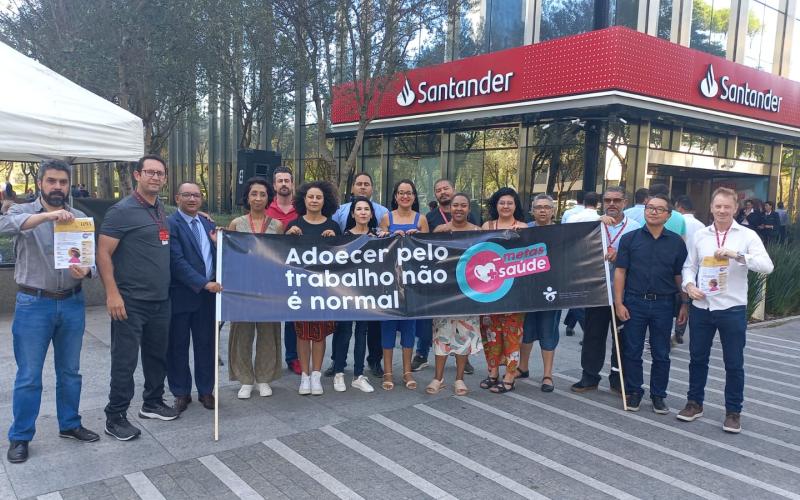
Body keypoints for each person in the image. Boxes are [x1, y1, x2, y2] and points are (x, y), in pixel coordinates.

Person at [0, 159, 98, 464]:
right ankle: (20, 437)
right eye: (52, 181)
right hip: (34, 304)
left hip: (71, 301)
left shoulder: (80, 217)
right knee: (29, 375)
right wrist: (47, 217)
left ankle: (69, 424)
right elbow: (4, 226)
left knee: (70, 371)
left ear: (69, 185)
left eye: (63, 182)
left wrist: (88, 270)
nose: (58, 187)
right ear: (40, 183)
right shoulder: (21, 212)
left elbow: (90, 260)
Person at [97, 155, 179, 441]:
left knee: (157, 357)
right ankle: (115, 416)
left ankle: (152, 402)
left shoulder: (161, 210)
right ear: (137, 175)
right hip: (130, 301)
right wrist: (112, 293)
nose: (155, 177)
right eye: (150, 172)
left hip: (160, 300)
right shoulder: (121, 211)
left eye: (160, 173)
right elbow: (103, 253)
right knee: (125, 361)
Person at [679, 187, 774, 433]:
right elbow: (689, 266)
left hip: (732, 308)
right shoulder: (700, 235)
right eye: (718, 206)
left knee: (734, 363)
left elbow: (767, 266)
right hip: (702, 306)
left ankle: (733, 412)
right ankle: (694, 403)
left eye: (727, 207)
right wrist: (689, 286)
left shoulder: (747, 235)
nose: (722, 210)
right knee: (697, 359)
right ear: (711, 208)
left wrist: (738, 255)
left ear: (735, 208)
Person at [614, 194, 688, 413]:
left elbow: (680, 276)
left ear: (668, 215)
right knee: (632, 350)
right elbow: (620, 272)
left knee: (661, 352)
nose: (653, 212)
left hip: (664, 304)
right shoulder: (630, 239)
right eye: (649, 208)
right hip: (634, 302)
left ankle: (658, 395)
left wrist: (685, 303)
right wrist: (619, 302)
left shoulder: (676, 242)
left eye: (659, 209)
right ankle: (635, 392)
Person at [570, 186, 640, 394]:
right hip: (597, 289)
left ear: (625, 203)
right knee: (593, 335)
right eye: (608, 200)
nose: (612, 204)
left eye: (616, 200)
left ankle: (618, 378)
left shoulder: (634, 227)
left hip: (624, 292)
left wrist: (621, 257)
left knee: (622, 338)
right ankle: (589, 376)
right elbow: (569, 234)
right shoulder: (592, 224)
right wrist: (595, 223)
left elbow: (641, 257)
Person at [413, 178, 478, 375]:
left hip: (464, 279)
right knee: (430, 320)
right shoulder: (430, 217)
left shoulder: (473, 218)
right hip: (439, 278)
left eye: (446, 188)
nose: (443, 192)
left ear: (454, 190)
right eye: (439, 190)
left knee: (463, 321)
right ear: (436, 195)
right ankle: (422, 354)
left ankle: (463, 360)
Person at [227, 178, 285, 399]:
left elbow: (280, 256)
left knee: (268, 332)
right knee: (242, 332)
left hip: (268, 287)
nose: (258, 198)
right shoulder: (237, 223)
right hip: (243, 287)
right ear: (247, 197)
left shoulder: (277, 226)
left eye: (262, 194)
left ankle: (263, 378)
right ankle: (245, 379)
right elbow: (230, 256)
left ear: (269, 197)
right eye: (254, 194)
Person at [167, 182, 220, 412]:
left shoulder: (208, 222)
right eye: (187, 195)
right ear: (177, 197)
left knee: (206, 345)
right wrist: (203, 283)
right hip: (182, 296)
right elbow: (176, 262)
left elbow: (216, 255)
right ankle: (181, 393)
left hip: (208, 298)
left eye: (196, 195)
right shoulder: (171, 224)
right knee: (177, 346)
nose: (192, 199)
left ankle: (206, 391)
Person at [329, 172, 388, 378]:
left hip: (371, 290)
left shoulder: (380, 232)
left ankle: (371, 363)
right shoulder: (341, 220)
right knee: (342, 330)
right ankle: (337, 363)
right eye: (359, 184)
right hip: (346, 289)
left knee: (370, 329)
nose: (362, 187)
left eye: (367, 184)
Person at [286, 181, 341, 395]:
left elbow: (341, 257)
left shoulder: (333, 226)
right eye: (311, 197)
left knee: (319, 334)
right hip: (300, 289)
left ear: (325, 200)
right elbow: (283, 256)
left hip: (324, 290)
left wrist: (334, 240)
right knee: (302, 334)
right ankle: (305, 376)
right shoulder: (294, 224)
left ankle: (316, 375)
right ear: (304, 200)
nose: (315, 200)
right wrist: (289, 237)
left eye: (319, 197)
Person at [426, 192, 483, 396]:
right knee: (441, 336)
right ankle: (438, 377)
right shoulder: (440, 230)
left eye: (463, 205)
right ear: (449, 208)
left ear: (469, 209)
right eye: (455, 205)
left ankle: (459, 379)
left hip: (468, 293)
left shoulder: (478, 232)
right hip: (443, 293)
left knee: (464, 336)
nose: (459, 209)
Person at [378, 179, 429, 390]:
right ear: (396, 196)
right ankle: (388, 372)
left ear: (414, 197)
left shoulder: (421, 219)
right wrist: (389, 236)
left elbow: (429, 251)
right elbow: (379, 248)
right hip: (389, 281)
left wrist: (418, 238)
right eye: (401, 193)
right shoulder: (386, 218)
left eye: (409, 193)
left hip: (413, 282)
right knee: (388, 328)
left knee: (410, 328)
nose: (405, 196)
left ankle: (407, 372)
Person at [479, 187, 528, 394]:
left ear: (515, 206)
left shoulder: (524, 227)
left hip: (514, 290)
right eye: (502, 203)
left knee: (511, 335)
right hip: (489, 289)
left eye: (510, 203)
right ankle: (492, 373)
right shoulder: (486, 226)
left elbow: (528, 258)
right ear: (496, 205)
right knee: (490, 333)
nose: (505, 206)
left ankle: (509, 376)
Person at [331, 196, 379, 393]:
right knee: (344, 332)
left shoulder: (378, 236)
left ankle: (359, 375)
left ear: (371, 213)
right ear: (352, 213)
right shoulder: (343, 236)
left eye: (366, 209)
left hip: (367, 292)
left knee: (362, 332)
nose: (362, 212)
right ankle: (339, 372)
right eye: (358, 209)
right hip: (346, 292)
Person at [517, 194, 561, 392]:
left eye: (546, 207)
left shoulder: (564, 231)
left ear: (553, 210)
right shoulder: (524, 230)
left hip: (552, 289)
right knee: (526, 331)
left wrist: (600, 221)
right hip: (527, 290)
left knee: (548, 331)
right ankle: (523, 367)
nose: (543, 210)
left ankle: (547, 375)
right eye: (538, 207)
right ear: (532, 210)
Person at [265, 167, 302, 376]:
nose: (284, 184)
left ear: (292, 183)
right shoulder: (266, 208)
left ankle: (293, 357)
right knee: (269, 318)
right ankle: (269, 360)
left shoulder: (301, 208)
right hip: (272, 269)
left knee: (292, 315)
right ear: (274, 185)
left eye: (287, 180)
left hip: (295, 269)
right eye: (280, 181)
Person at [672, 195, 705, 345]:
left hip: (678, 263)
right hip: (695, 266)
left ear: (679, 206)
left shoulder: (678, 220)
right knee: (687, 298)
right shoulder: (701, 225)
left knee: (677, 295)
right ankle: (679, 330)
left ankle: (672, 328)